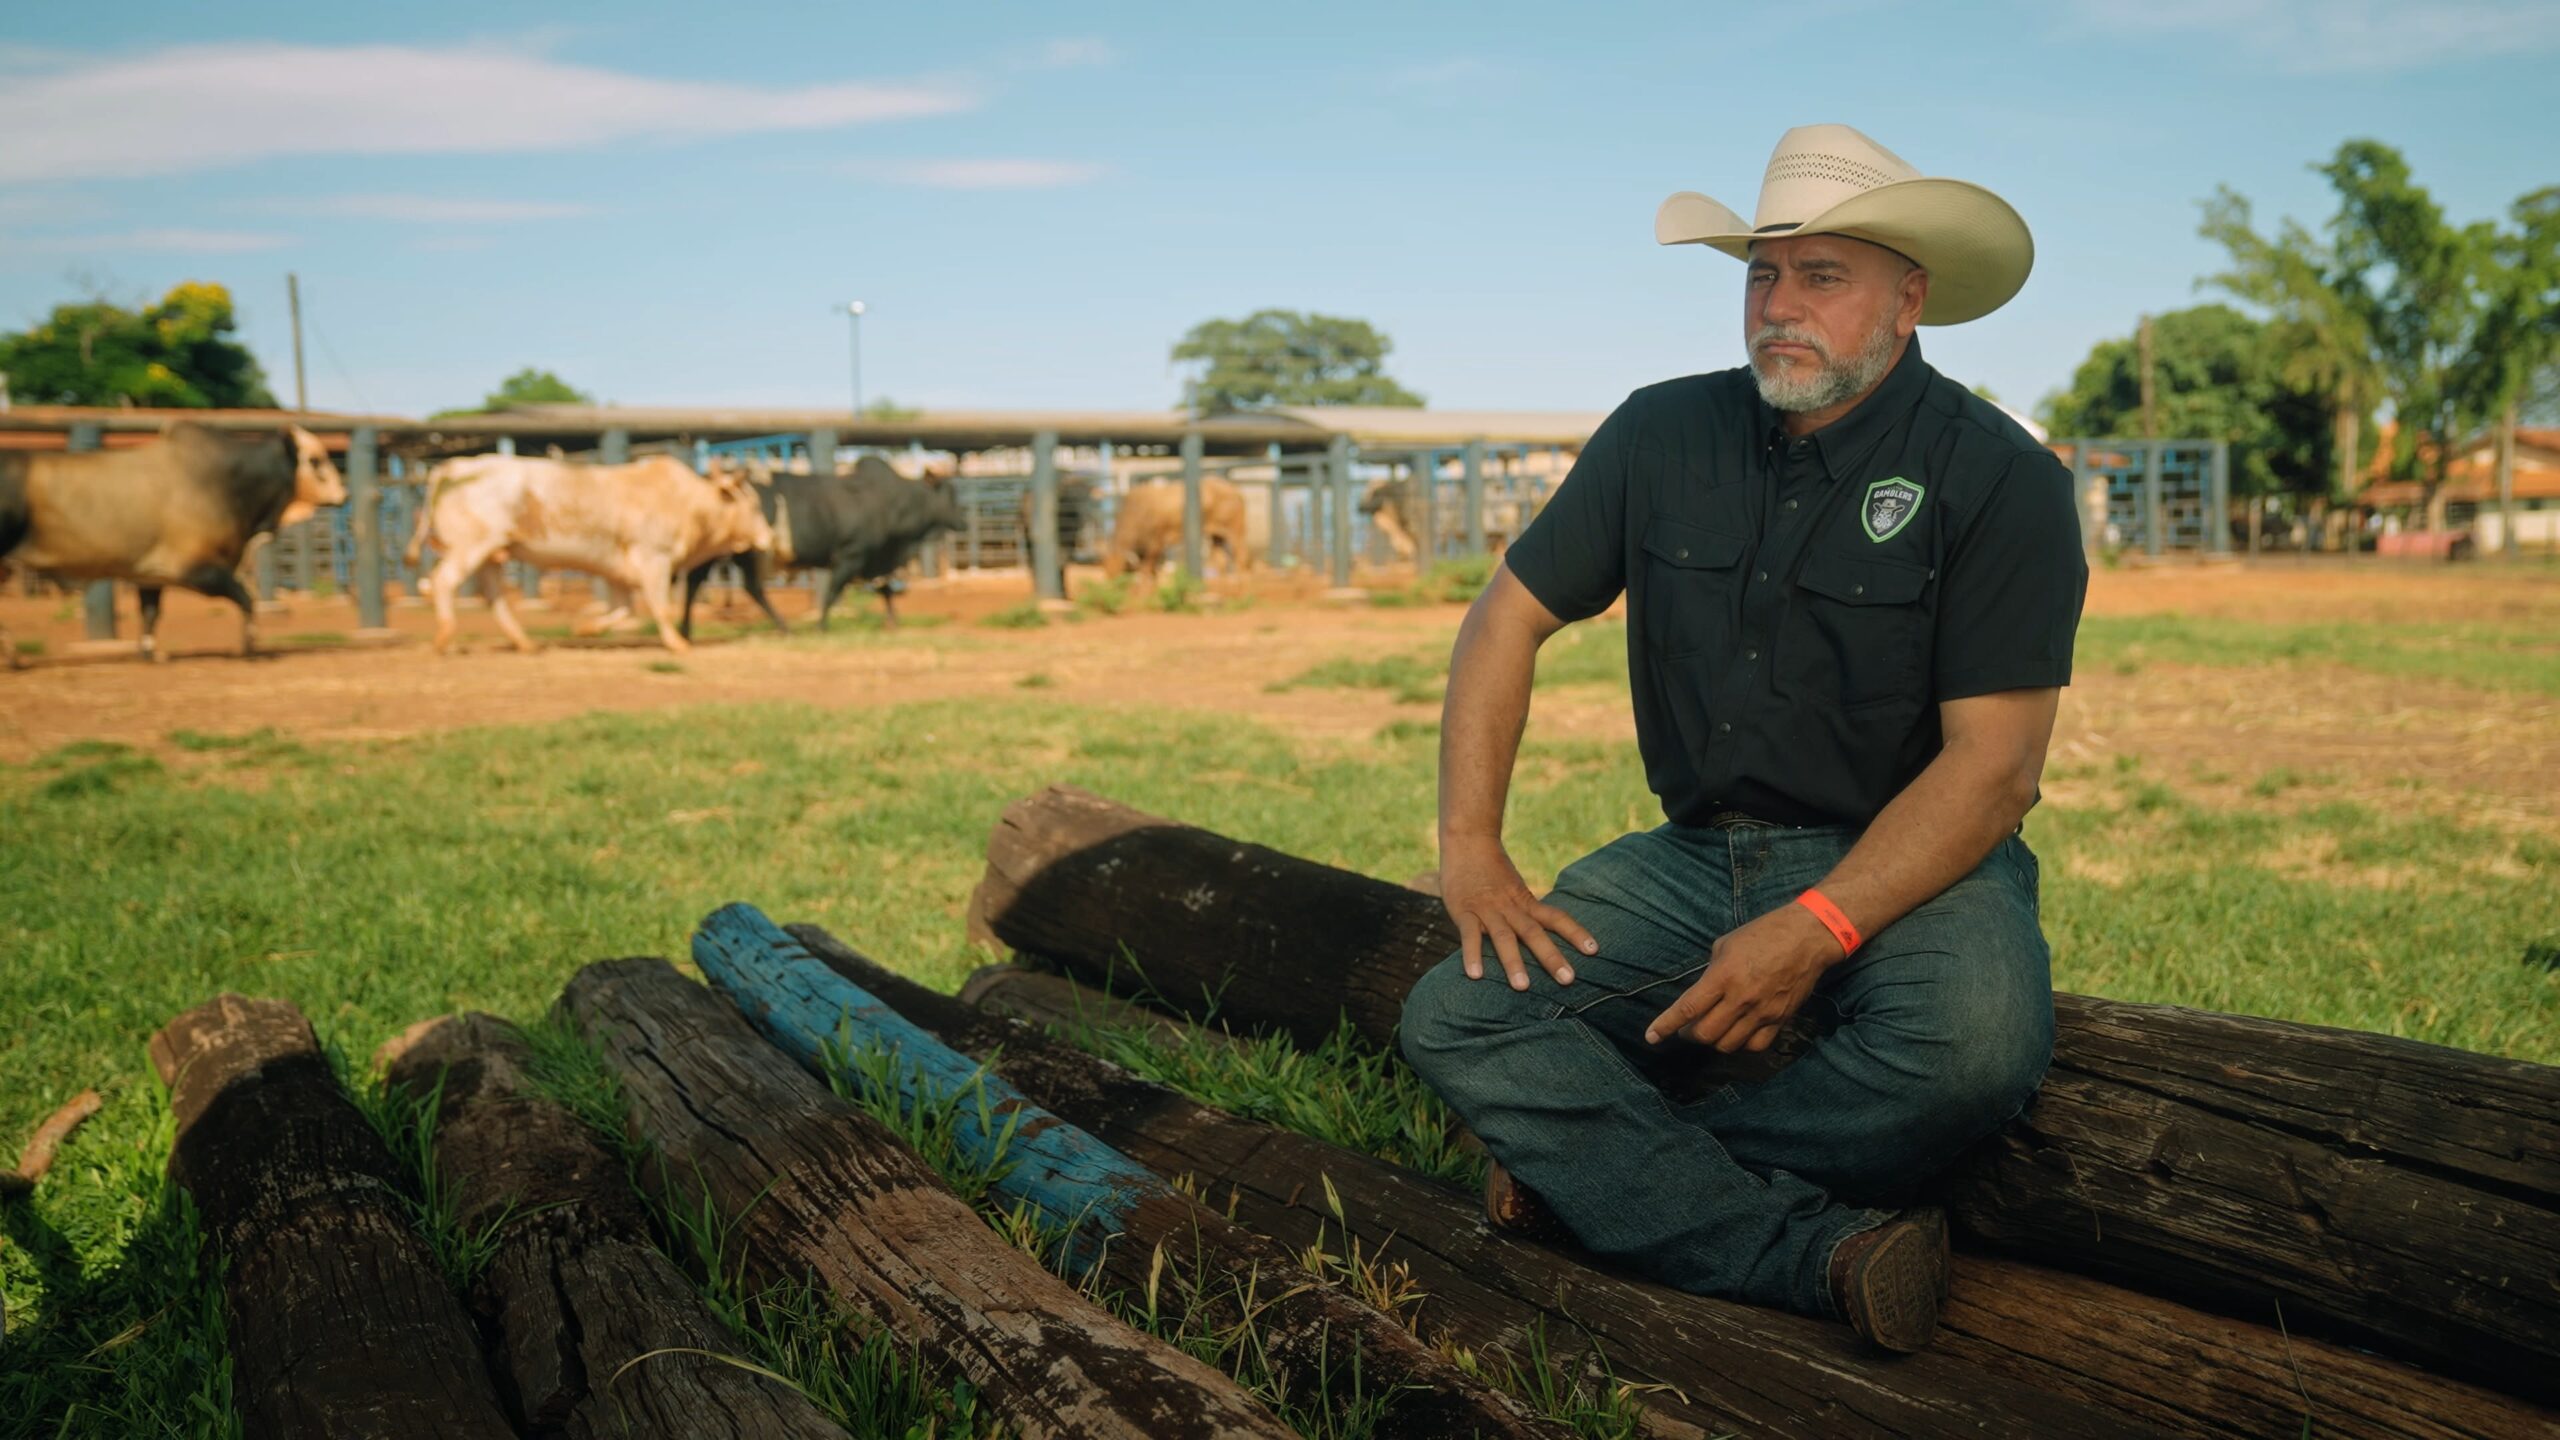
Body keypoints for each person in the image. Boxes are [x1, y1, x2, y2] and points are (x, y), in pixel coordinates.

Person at [1398, 124, 2088, 1353]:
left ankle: (1599, 1186)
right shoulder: (1660, 434)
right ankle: (1802, 1250)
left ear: (1908, 294)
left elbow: (1995, 771)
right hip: (1693, 857)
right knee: (1458, 1014)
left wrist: (1816, 929)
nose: (1779, 308)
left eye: (1822, 277)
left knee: (1972, 1048)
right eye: (1762, 275)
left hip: (1916, 857)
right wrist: (1467, 846)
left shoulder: (1999, 478)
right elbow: (1505, 616)